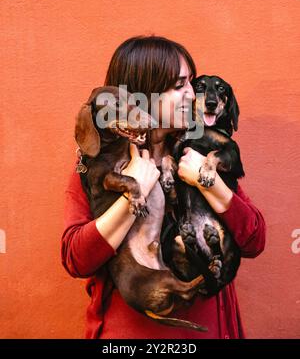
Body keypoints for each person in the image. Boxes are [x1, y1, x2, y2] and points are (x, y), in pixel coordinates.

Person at [61, 35, 266, 339]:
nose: (191, 94)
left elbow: (254, 240)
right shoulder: (98, 165)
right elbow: (76, 259)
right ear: (144, 96)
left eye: (191, 83)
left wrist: (208, 184)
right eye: (179, 85)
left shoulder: (198, 151)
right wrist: (135, 191)